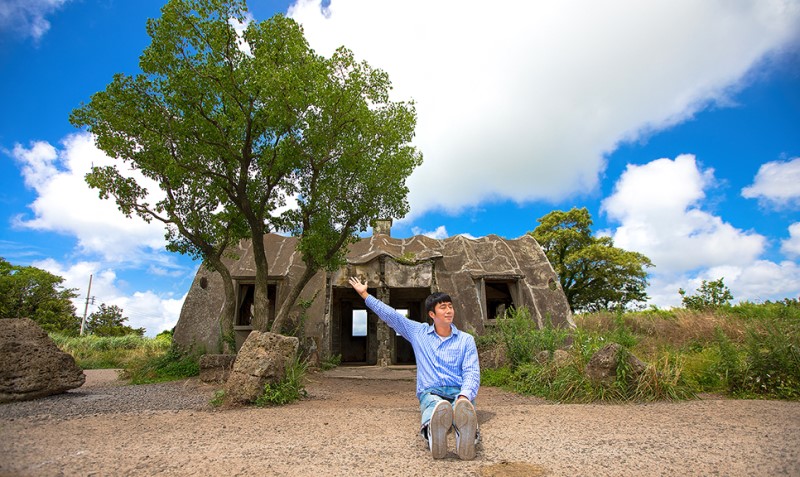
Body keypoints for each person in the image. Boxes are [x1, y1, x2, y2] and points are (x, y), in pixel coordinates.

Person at [348, 276, 481, 460]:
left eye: (450, 306)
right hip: (431, 391)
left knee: (464, 409)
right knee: (435, 407)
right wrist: (365, 295)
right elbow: (391, 315)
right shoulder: (419, 332)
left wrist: (465, 395)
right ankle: (433, 434)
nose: (449, 310)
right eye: (443, 307)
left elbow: (471, 371)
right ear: (432, 314)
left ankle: (466, 435)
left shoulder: (466, 340)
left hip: (459, 390)